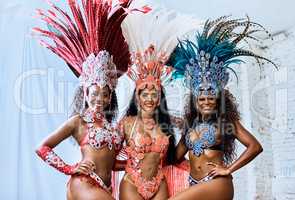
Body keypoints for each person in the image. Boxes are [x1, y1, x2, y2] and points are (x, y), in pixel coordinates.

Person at [33, 0, 149, 199]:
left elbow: (109, 162)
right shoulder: (78, 122)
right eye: (94, 93)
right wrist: (70, 168)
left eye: (104, 94)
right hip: (84, 183)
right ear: (86, 94)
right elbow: (42, 148)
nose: (99, 98)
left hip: (103, 188)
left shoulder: (112, 127)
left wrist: (135, 161)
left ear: (110, 96)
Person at [167, 16, 277, 200]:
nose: (207, 102)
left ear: (219, 100)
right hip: (194, 182)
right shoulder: (190, 127)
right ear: (195, 101)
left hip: (215, 183)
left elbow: (255, 147)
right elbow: (175, 158)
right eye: (202, 99)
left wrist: (228, 169)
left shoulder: (226, 122)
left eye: (212, 98)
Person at [117, 9, 201, 200]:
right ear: (137, 97)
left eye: (153, 93)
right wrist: (131, 163)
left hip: (159, 184)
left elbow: (173, 156)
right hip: (132, 184)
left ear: (159, 97)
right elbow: (109, 158)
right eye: (143, 93)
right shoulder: (127, 123)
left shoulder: (166, 124)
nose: (148, 97)